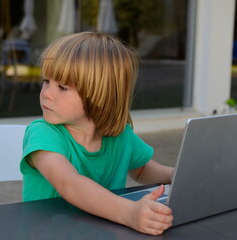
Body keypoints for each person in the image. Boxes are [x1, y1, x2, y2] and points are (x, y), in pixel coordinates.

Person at [20, 32, 174, 235]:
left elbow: (142, 169)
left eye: (62, 87)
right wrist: (130, 213)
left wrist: (176, 175)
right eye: (46, 81)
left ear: (100, 95)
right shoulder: (43, 134)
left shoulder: (120, 136)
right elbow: (70, 184)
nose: (46, 93)